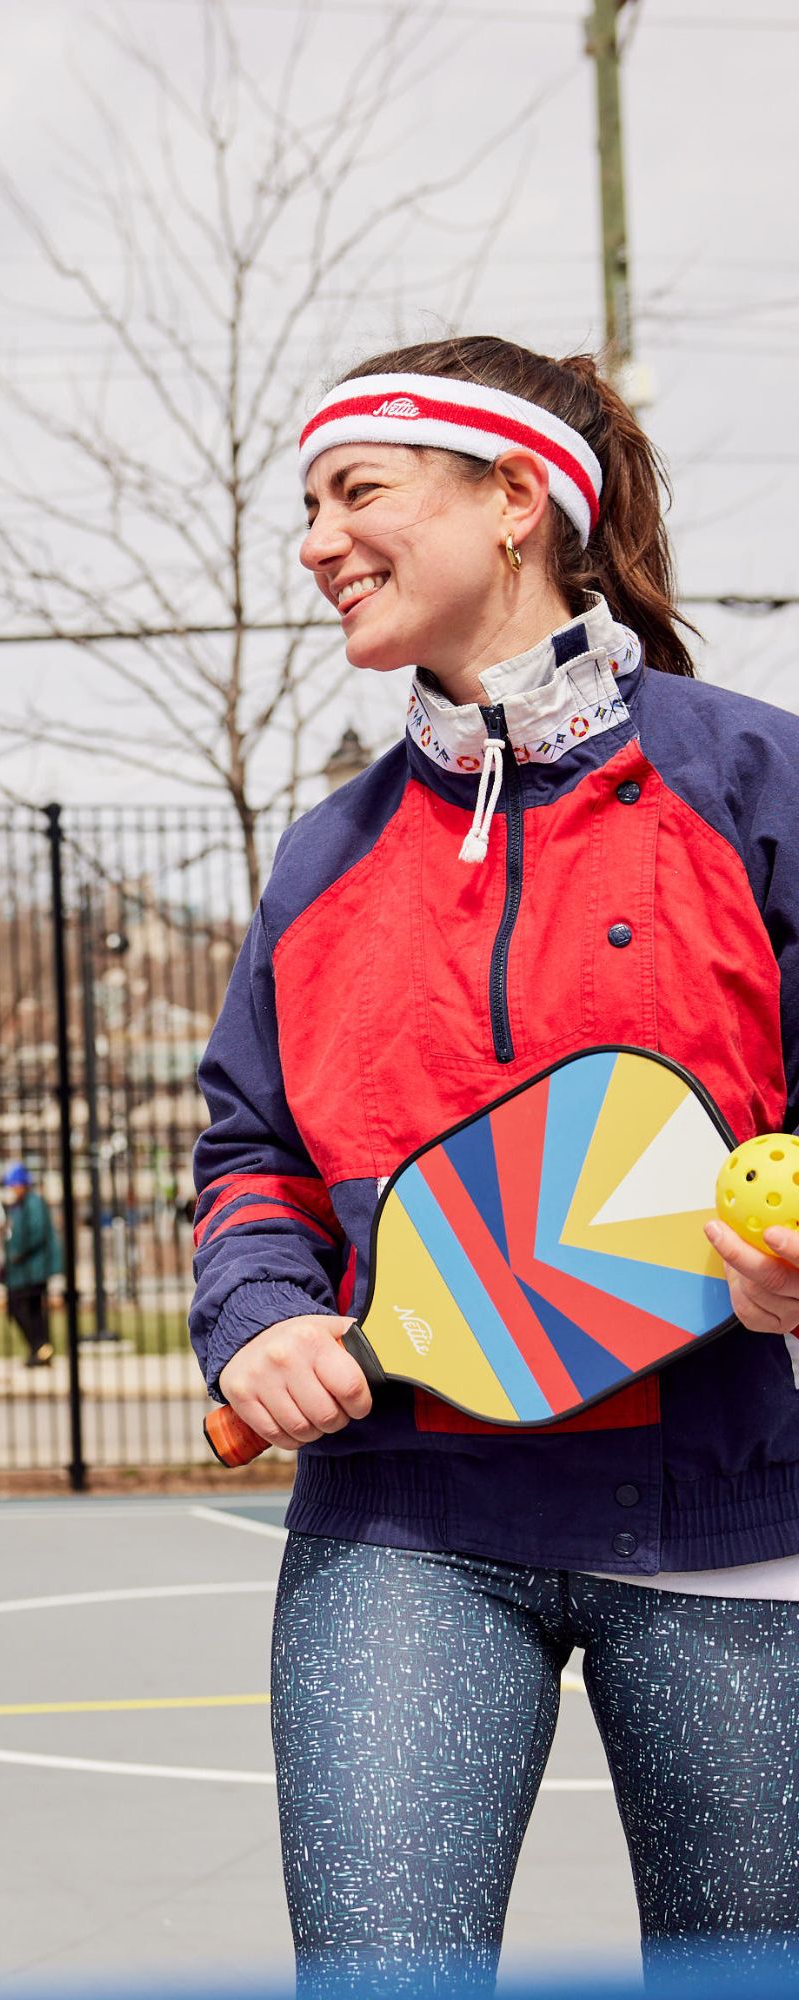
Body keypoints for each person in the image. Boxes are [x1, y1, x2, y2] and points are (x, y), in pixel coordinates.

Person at [191, 337, 799, 1992]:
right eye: (307, 501)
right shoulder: (328, 855)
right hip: (406, 1524)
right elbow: (252, 1148)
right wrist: (255, 1312)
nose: (314, 538)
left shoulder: (755, 787)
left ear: (515, 499)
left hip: (744, 1516)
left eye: (356, 490)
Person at [0, 1163, 61, 1365]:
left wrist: (16, 1254)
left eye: (14, 1185)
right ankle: (40, 1349)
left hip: (33, 1269)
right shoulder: (21, 1205)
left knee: (22, 1306)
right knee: (30, 1309)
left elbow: (35, 1233)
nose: (12, 1190)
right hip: (24, 1269)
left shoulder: (33, 1204)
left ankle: (40, 1347)